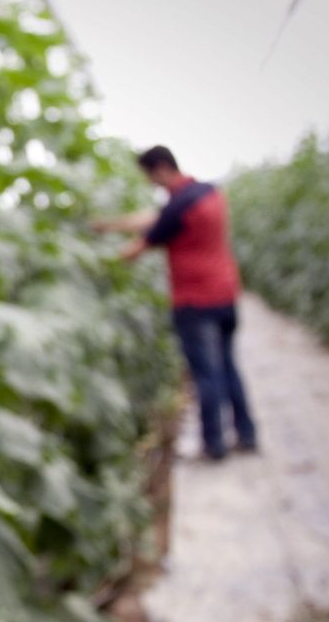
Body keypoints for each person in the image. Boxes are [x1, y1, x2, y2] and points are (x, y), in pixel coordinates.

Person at [94, 145, 257, 460]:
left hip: (195, 301)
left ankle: (214, 445)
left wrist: (100, 261)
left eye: (149, 177)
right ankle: (246, 434)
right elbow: (153, 219)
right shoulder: (208, 194)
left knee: (205, 374)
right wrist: (110, 225)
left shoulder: (178, 207)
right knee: (228, 366)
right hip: (225, 294)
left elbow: (140, 245)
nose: (149, 183)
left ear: (161, 169)